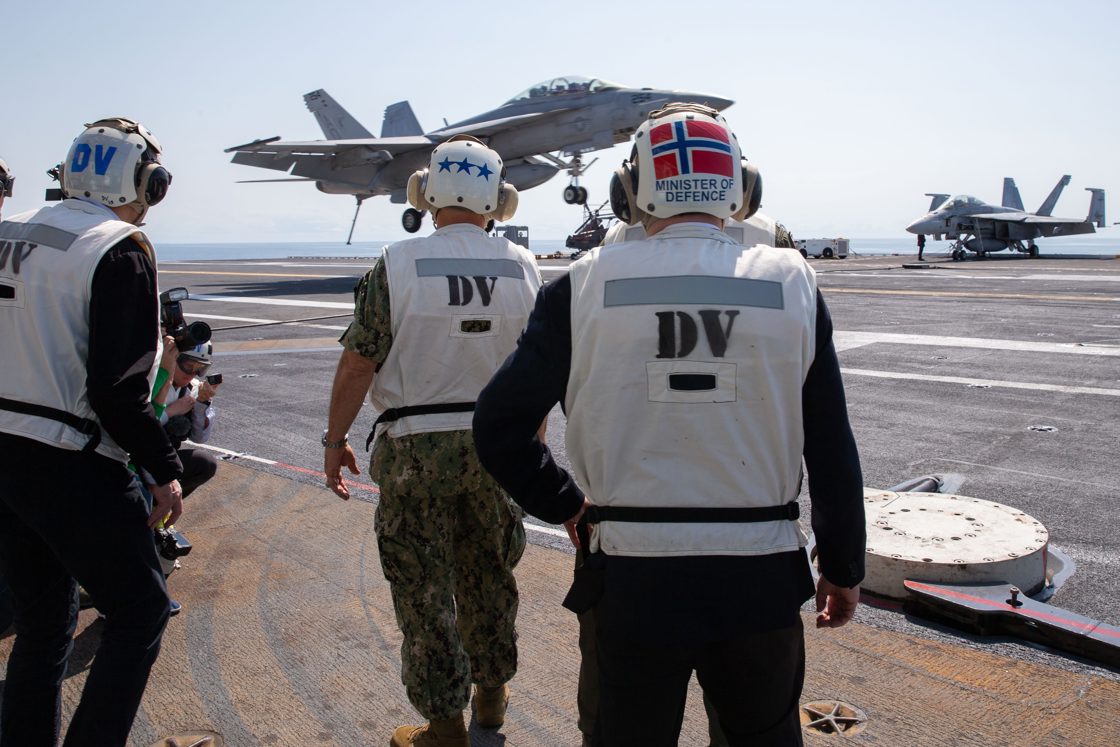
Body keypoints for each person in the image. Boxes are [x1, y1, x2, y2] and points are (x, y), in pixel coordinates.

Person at [473, 103, 866, 747]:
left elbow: (497, 426)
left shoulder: (582, 285)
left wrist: (567, 503)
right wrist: (843, 564)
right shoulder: (793, 281)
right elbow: (830, 444)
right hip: (760, 576)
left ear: (628, 192)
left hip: (632, 575)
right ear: (742, 187)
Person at [323, 135, 542, 747]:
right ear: (500, 200)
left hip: (415, 450)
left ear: (424, 193)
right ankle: (491, 702)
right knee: (490, 577)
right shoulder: (523, 266)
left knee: (423, 591)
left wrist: (334, 440)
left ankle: (444, 728)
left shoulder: (397, 262)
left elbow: (359, 364)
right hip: (500, 449)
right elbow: (537, 372)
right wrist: (532, 449)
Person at [0, 118, 183, 746]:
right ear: (145, 182)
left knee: (44, 622)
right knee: (141, 610)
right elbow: (117, 390)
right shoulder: (117, 247)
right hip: (67, 459)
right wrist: (163, 468)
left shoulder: (9, 228)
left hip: (3, 451)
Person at [153, 339, 221, 498]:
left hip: (165, 456)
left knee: (205, 464)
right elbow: (135, 427)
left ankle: (161, 505)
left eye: (200, 368)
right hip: (137, 457)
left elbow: (199, 437)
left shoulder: (194, 389)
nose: (192, 373)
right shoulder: (152, 382)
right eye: (188, 366)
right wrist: (170, 412)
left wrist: (202, 403)